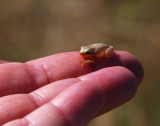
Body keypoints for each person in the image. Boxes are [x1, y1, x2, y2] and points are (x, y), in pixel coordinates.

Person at [0, 51, 143, 126]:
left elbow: (93, 58)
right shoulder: (88, 54)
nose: (83, 55)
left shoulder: (92, 55)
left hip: (103, 51)